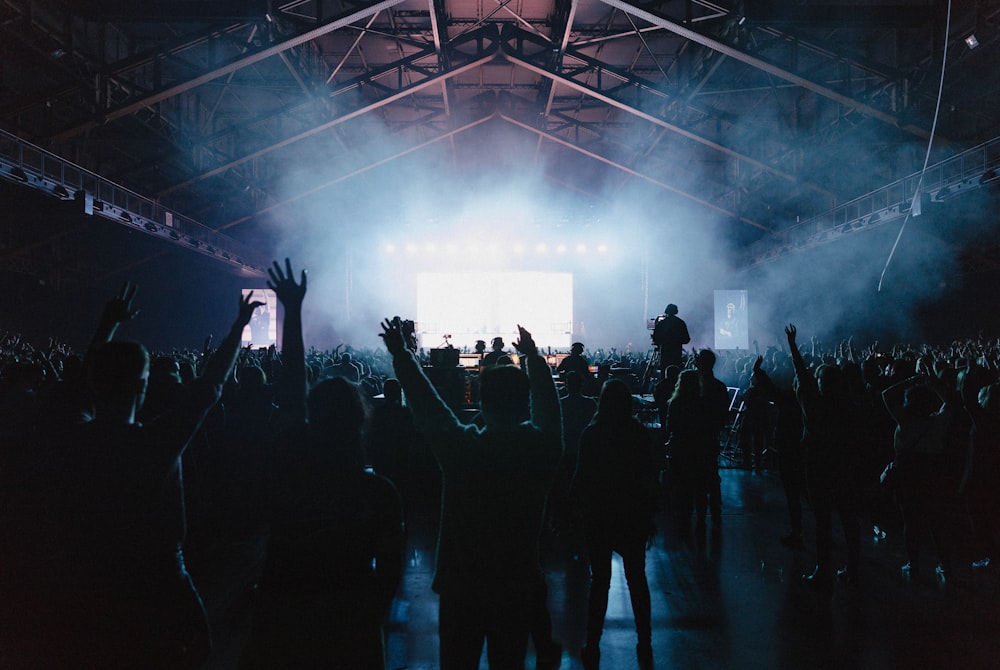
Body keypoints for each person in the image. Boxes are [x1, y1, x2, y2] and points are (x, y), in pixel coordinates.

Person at [3, 283, 259, 669]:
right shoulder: (156, 443)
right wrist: (239, 328)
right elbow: (211, 385)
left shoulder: (73, 437)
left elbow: (77, 390)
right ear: (143, 386)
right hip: (157, 576)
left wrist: (106, 328)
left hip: (84, 575)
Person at [241, 260, 404, 669]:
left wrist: (292, 310)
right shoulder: (378, 492)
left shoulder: (292, 459)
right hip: (349, 614)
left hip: (284, 606)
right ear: (359, 420)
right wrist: (372, 611)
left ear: (315, 415)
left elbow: (293, 387)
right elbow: (390, 568)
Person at [379, 317, 563, 669]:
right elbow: (550, 412)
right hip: (515, 583)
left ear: (482, 399)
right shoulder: (541, 450)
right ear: (523, 400)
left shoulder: (462, 451)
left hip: (461, 586)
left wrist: (401, 355)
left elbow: (428, 405)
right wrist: (533, 358)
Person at [572, 378, 656, 670]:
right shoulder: (638, 434)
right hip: (631, 515)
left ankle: (593, 643)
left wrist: (573, 512)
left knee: (600, 582)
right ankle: (645, 640)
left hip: (599, 515)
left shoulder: (592, 433)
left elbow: (581, 478)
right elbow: (648, 478)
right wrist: (649, 517)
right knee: (637, 579)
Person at [785, 324, 863, 588]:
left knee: (822, 518)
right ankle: (853, 568)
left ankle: (823, 569)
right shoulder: (849, 406)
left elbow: (801, 373)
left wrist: (793, 345)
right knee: (849, 518)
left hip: (817, 461)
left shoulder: (813, 403)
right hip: (844, 463)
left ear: (821, 383)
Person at [882, 372, 956, 580]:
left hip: (908, 476)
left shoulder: (904, 421)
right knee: (936, 522)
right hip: (932, 475)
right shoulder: (938, 422)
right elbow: (951, 403)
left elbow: (886, 394)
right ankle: (946, 566)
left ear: (908, 402)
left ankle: (913, 565)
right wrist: (934, 386)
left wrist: (910, 379)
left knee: (911, 523)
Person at [694, 348, 730, 531]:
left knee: (699, 478)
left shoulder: (696, 387)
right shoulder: (720, 387)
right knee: (712, 476)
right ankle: (716, 513)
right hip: (712, 436)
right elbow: (724, 414)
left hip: (697, 437)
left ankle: (701, 515)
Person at [651, 304, 690, 376]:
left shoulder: (661, 324)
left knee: (664, 375)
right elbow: (687, 339)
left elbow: (655, 339)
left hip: (664, 356)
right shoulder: (680, 323)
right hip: (676, 355)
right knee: (676, 375)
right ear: (676, 311)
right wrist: (677, 341)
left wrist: (664, 342)